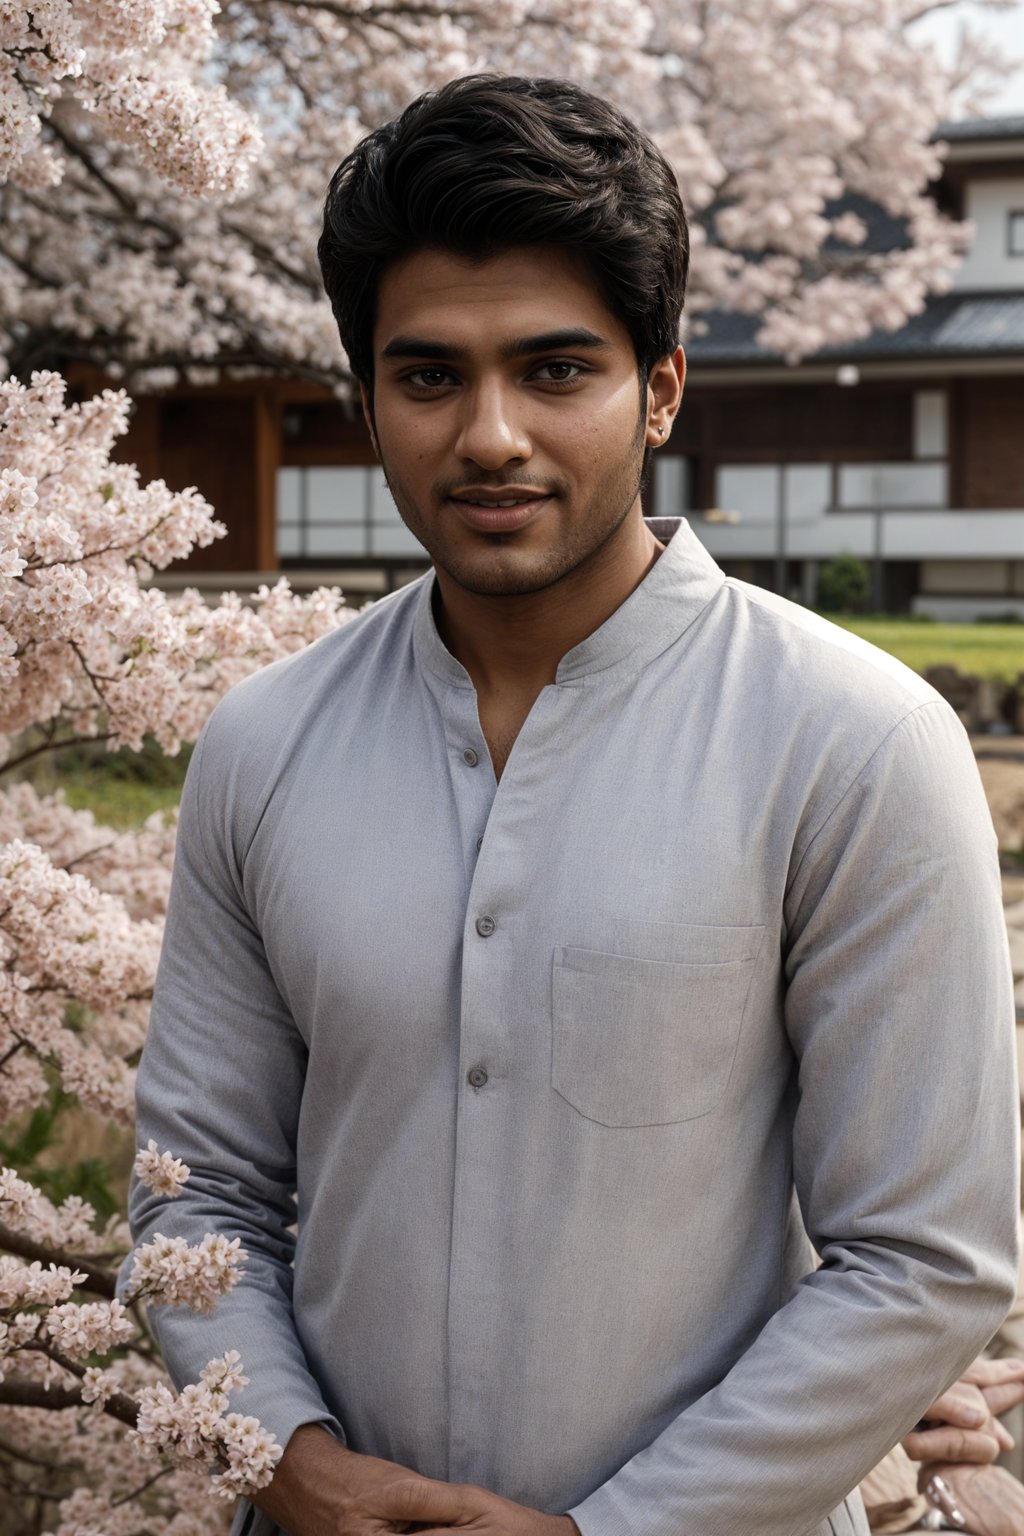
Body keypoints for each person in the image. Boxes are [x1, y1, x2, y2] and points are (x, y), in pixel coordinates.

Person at [125, 73, 1021, 1536]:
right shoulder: (263, 743)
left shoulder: (854, 743)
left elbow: (925, 1258)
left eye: (555, 370)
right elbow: (196, 1189)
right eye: (428, 377)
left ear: (660, 386)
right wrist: (287, 1456)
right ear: (367, 400)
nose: (488, 435)